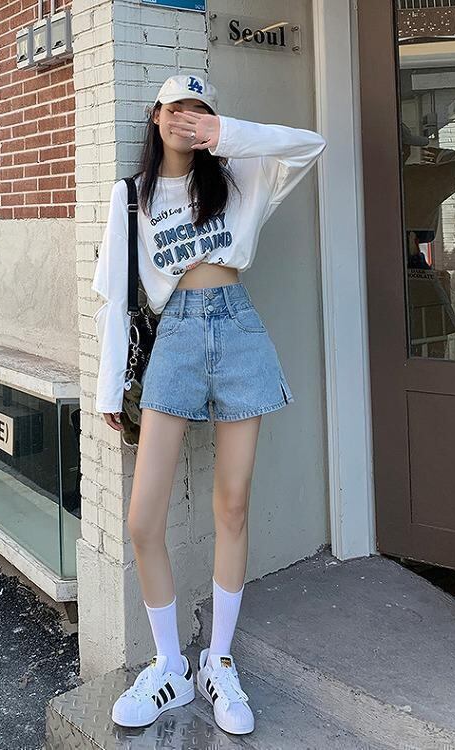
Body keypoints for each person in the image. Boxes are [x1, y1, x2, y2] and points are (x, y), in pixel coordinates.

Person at [91, 73, 327, 735]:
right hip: (175, 338)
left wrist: (225, 135)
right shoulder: (131, 197)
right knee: (143, 519)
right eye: (176, 107)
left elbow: (309, 144)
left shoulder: (240, 176)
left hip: (239, 328)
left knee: (233, 504)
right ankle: (168, 664)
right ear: (155, 115)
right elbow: (116, 298)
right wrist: (109, 386)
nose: (185, 118)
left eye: (199, 110)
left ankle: (216, 661)